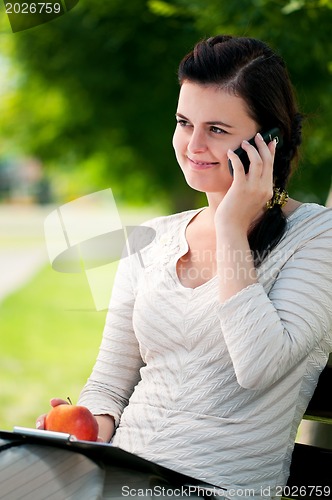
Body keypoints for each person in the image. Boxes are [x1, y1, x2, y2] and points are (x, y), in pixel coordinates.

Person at [37, 35, 332, 499]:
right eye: (183, 121)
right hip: (121, 479)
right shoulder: (152, 240)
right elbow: (110, 383)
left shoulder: (318, 237)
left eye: (216, 129)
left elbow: (258, 367)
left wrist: (232, 227)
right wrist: (92, 421)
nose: (192, 144)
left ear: (268, 142)